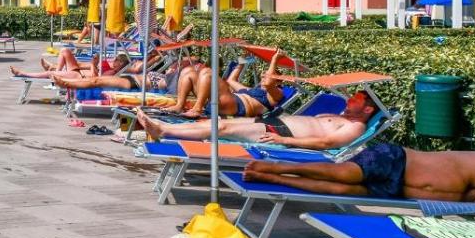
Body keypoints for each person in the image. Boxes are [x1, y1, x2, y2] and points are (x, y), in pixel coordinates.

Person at [134, 90, 376, 150]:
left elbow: (326, 143)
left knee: (222, 127)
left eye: (357, 98)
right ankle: (163, 126)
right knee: (210, 123)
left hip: (280, 134)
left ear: (367, 109)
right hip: (275, 123)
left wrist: (284, 141)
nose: (351, 98)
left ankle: (164, 132)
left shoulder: (355, 126)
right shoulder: (341, 115)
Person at [245, 145, 475, 203]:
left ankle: (271, 178)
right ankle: (279, 167)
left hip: (397, 190)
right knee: (344, 175)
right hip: (396, 160)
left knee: (341, 190)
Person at [175, 52, 288, 118]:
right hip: (222, 101)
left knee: (207, 73)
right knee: (189, 73)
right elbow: (231, 80)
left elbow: (268, 83)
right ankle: (179, 106)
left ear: (278, 81)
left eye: (268, 74)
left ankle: (197, 109)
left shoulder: (276, 94)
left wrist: (274, 59)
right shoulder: (251, 90)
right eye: (263, 75)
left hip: (236, 107)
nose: (264, 76)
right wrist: (244, 60)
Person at [11, 52, 129, 81]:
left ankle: (22, 73)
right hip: (79, 72)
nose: (114, 60)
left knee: (49, 74)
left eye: (117, 60)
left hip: (80, 77)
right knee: (65, 51)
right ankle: (55, 70)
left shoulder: (112, 73)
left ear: (121, 64)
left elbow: (95, 79)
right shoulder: (112, 69)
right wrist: (94, 64)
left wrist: (93, 65)